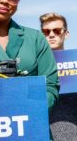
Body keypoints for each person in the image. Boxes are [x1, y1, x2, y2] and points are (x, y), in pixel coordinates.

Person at [40, 13, 76, 141]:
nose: (51, 35)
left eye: (56, 30)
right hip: (45, 133)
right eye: (45, 31)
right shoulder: (33, 68)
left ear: (66, 34)